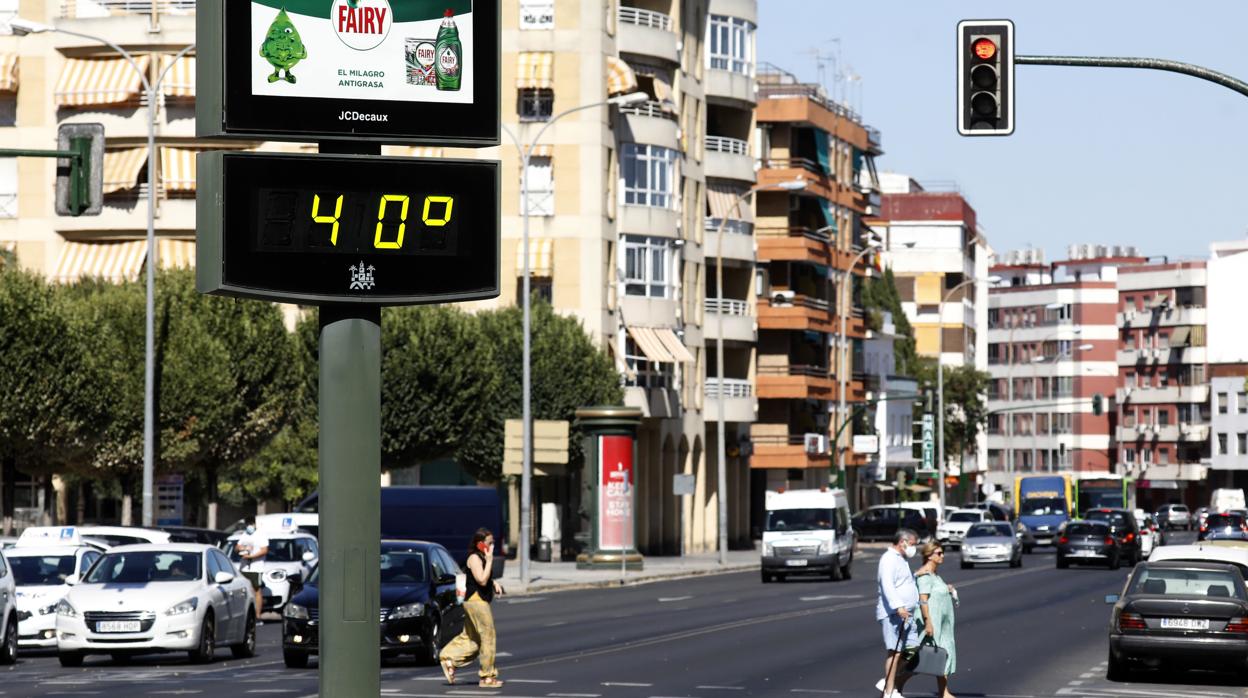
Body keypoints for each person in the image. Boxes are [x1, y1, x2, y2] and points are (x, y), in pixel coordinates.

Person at [440, 528, 505, 689]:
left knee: (472, 638)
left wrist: (494, 583)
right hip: (476, 602)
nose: (492, 545)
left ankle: (449, 658)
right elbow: (481, 580)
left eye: (493, 542)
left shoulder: (481, 557)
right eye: (490, 543)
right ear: (480, 544)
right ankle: (487, 677)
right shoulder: (475, 558)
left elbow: (485, 579)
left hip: (474, 601)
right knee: (488, 637)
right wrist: (490, 561)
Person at [876, 528, 920, 698]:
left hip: (907, 614)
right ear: (903, 542)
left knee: (912, 648)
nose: (914, 548)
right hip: (894, 614)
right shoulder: (888, 559)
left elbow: (904, 582)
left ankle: (888, 680)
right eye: (913, 544)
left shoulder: (901, 559)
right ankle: (889, 692)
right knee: (895, 651)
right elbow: (888, 585)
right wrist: (898, 607)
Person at [915, 541, 958, 698]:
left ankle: (944, 692)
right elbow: (923, 600)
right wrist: (928, 622)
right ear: (929, 555)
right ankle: (892, 684)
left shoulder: (934, 575)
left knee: (942, 656)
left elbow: (936, 592)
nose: (942, 556)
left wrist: (947, 589)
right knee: (922, 659)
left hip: (942, 624)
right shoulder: (924, 575)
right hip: (933, 623)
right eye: (939, 553)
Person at [235, 517, 269, 620]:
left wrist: (251, 557)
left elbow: (264, 550)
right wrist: (242, 549)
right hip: (244, 567)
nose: (249, 526)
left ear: (254, 524)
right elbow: (236, 547)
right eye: (247, 524)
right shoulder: (245, 535)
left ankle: (257, 615)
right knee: (242, 590)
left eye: (251, 524)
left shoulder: (261, 535)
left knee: (256, 590)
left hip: (256, 567)